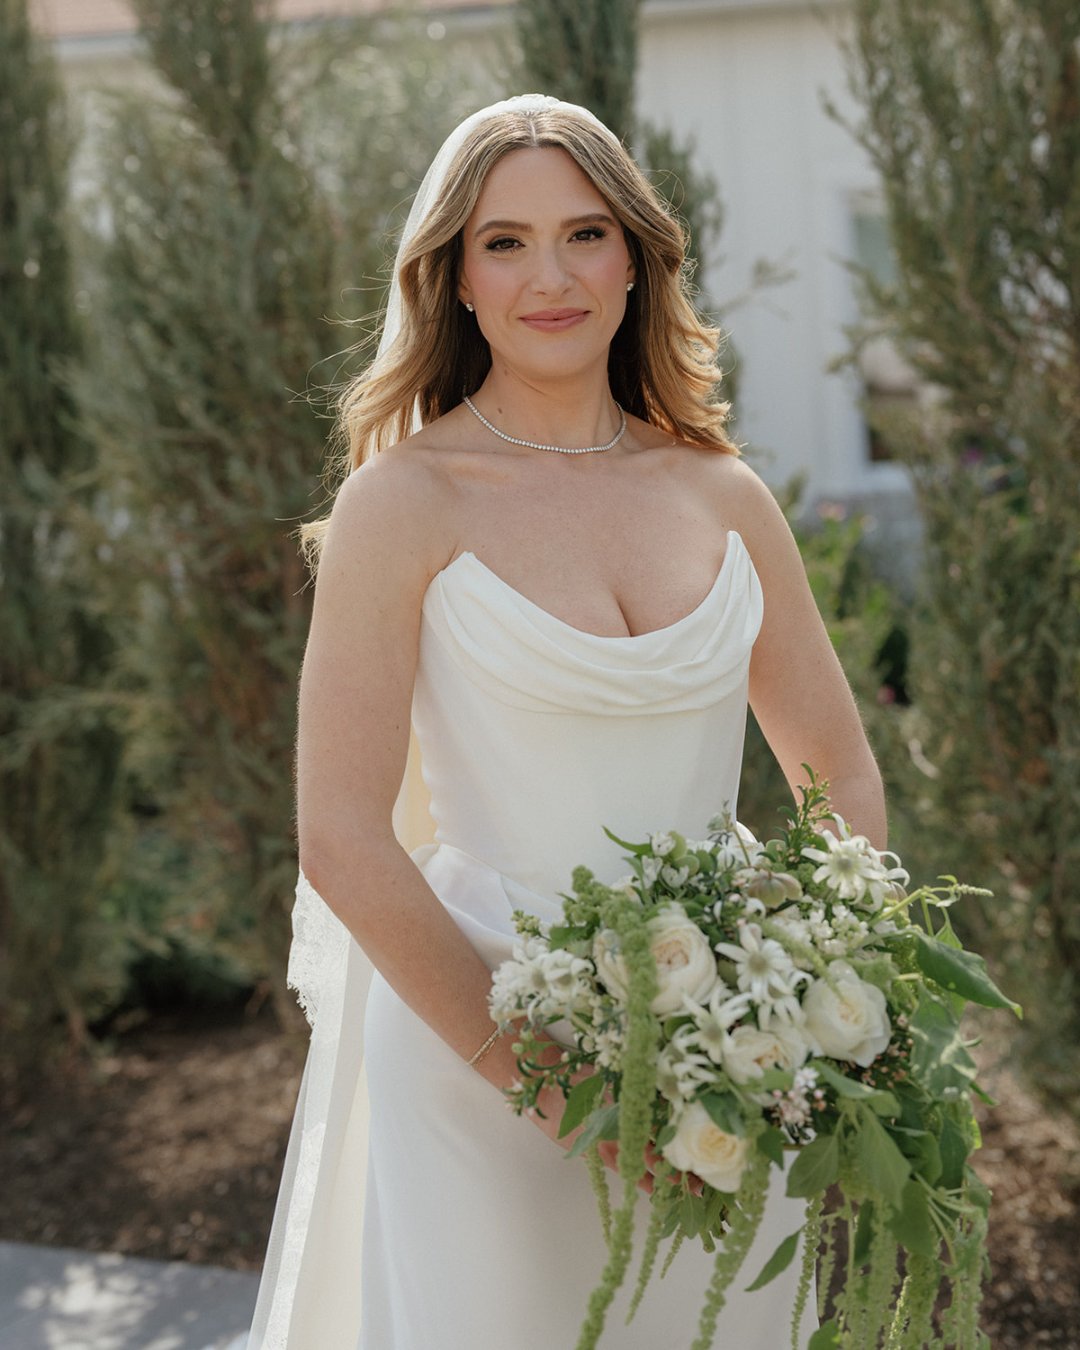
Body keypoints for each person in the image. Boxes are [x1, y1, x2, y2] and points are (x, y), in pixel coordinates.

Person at [246, 94, 885, 1350]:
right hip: (486, 1049)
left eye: (586, 233)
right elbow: (342, 838)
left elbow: (840, 772)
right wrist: (567, 1089)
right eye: (505, 242)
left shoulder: (724, 493)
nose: (551, 275)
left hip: (727, 1064)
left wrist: (815, 1000)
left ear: (637, 259)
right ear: (456, 280)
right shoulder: (401, 504)